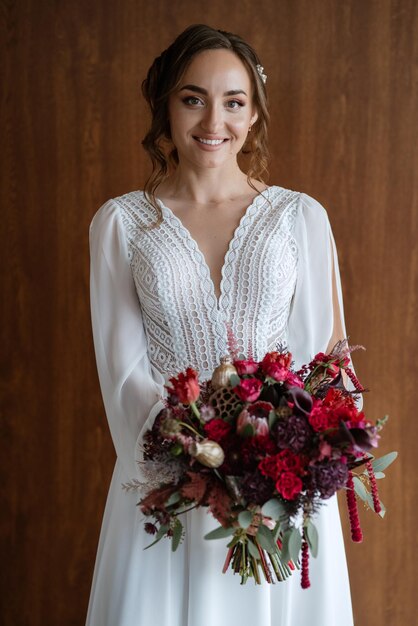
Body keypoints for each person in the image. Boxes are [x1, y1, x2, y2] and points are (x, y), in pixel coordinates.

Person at [87, 24, 356, 626]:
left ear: (254, 114)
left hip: (283, 494)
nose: (214, 121)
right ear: (166, 106)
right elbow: (122, 372)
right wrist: (206, 466)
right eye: (193, 98)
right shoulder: (123, 225)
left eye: (234, 102)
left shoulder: (300, 218)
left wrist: (286, 468)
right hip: (168, 492)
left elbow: (330, 366)